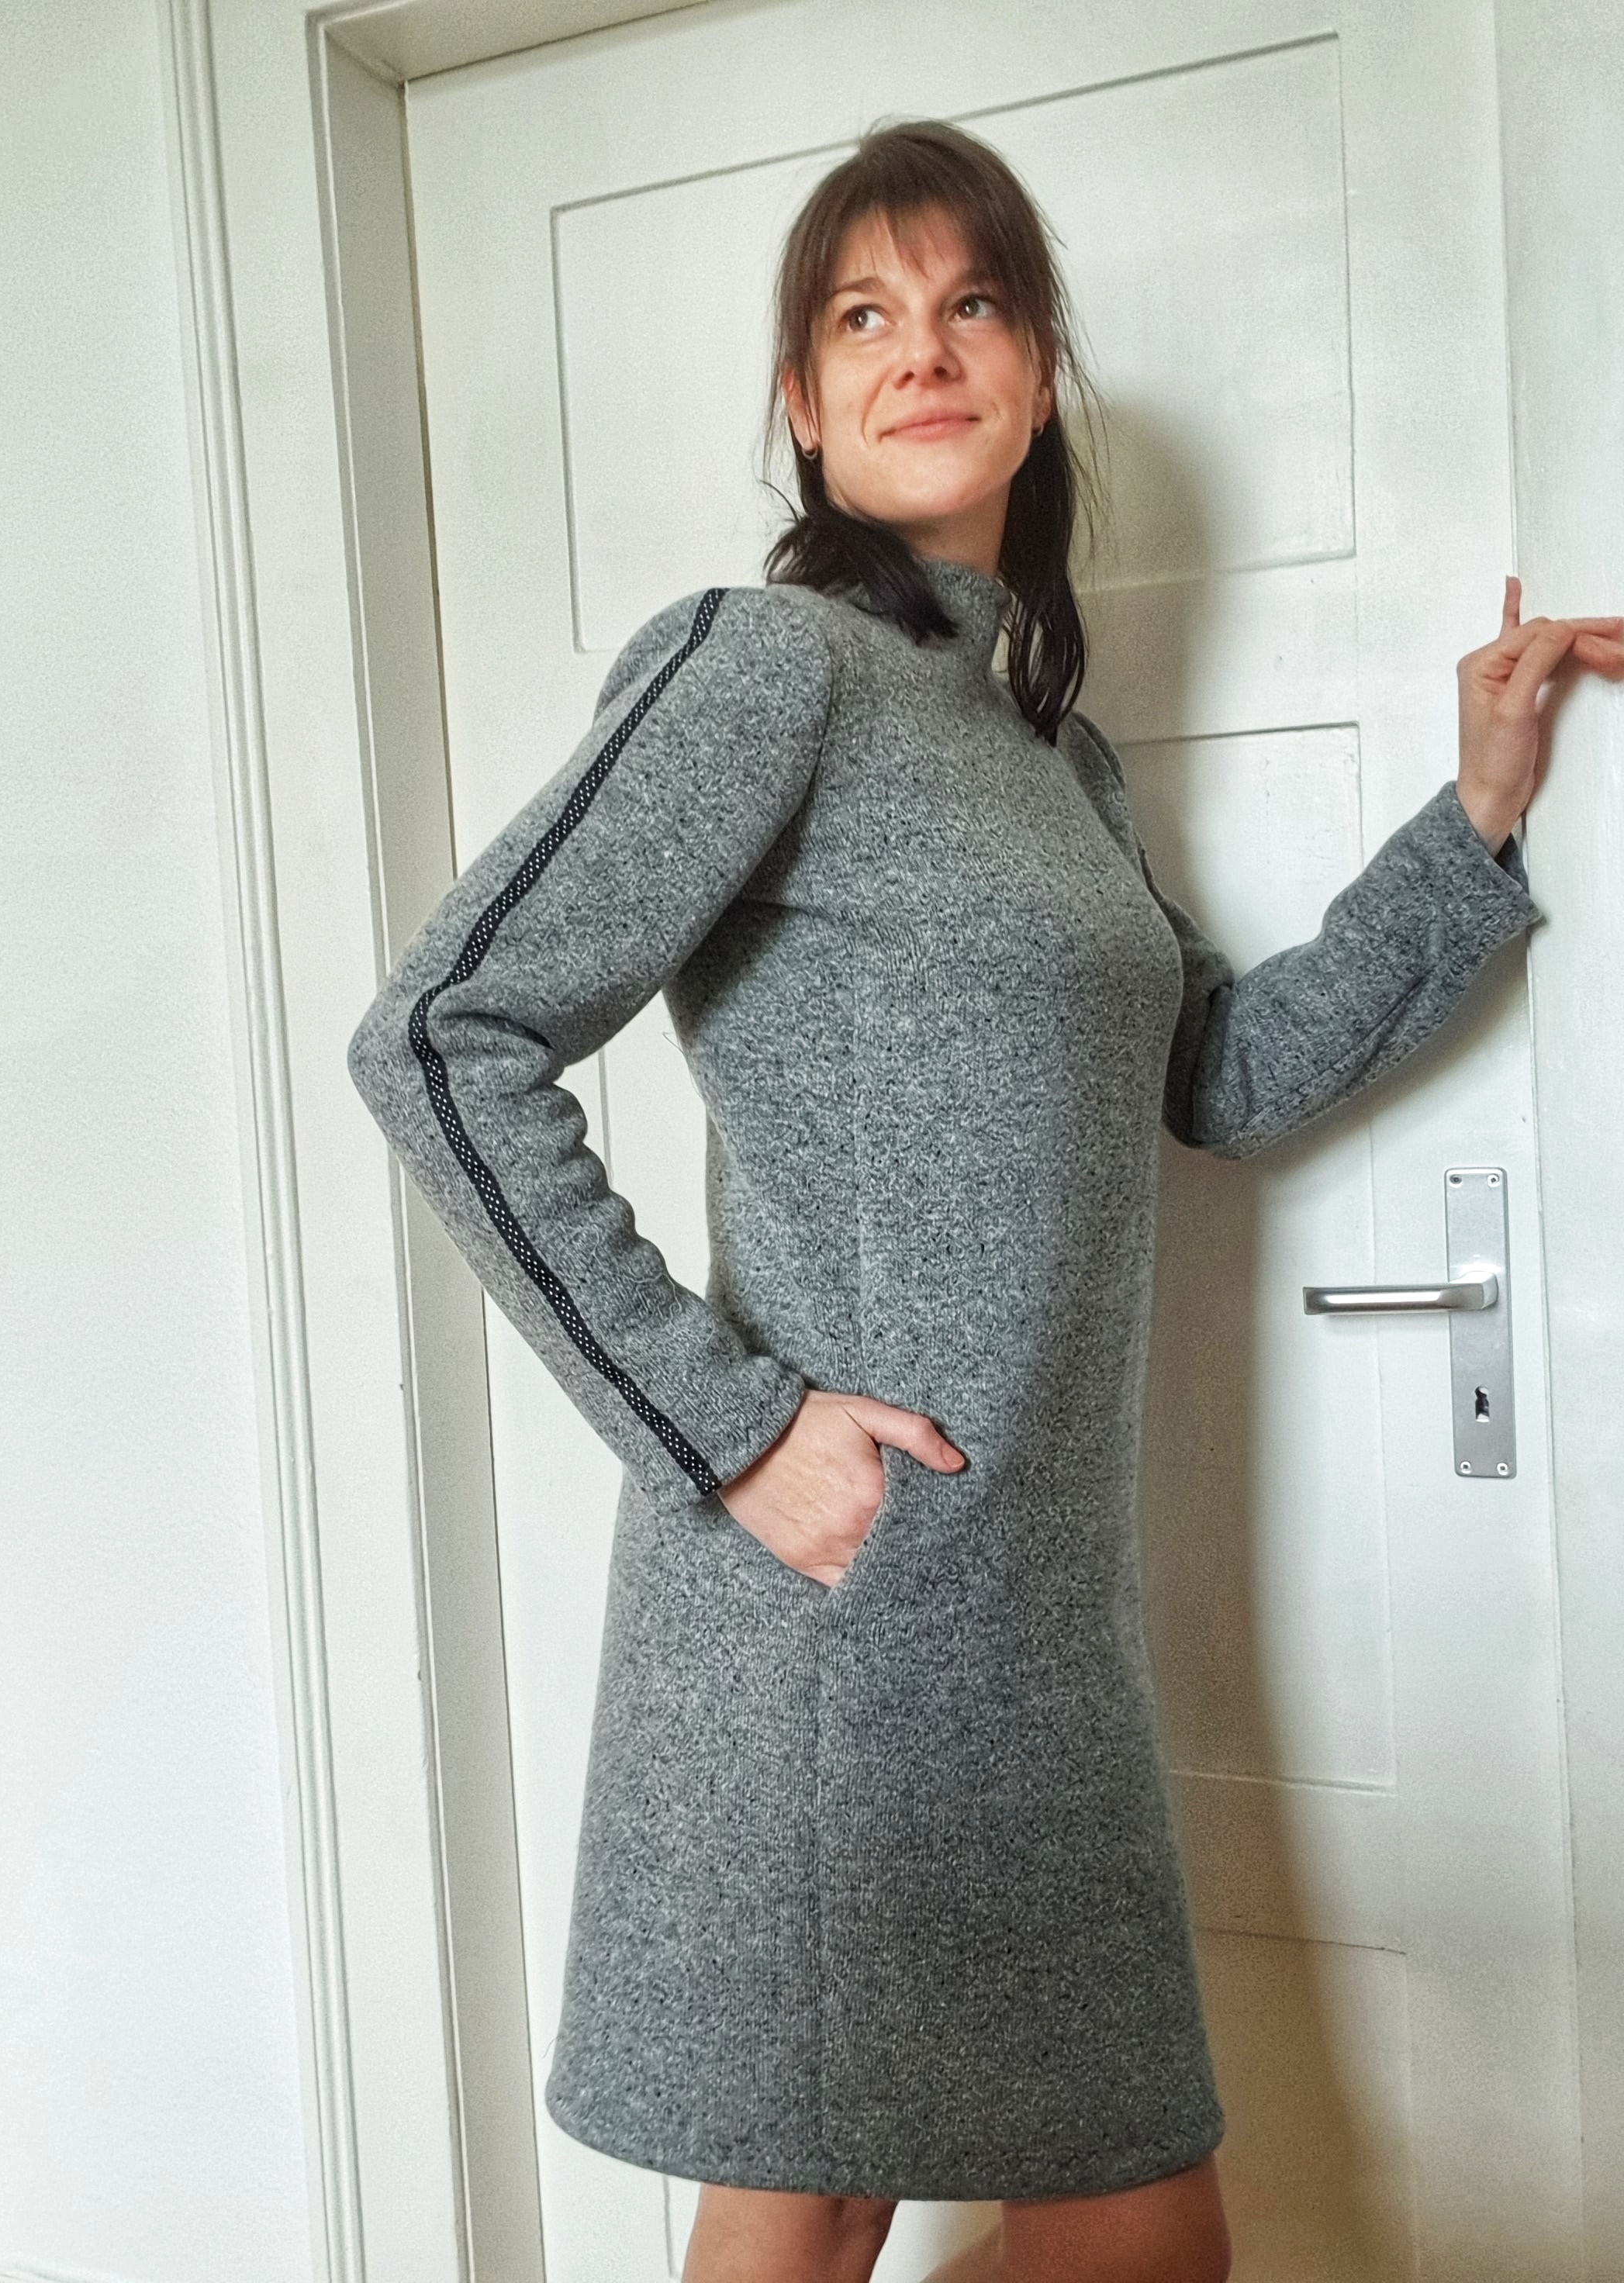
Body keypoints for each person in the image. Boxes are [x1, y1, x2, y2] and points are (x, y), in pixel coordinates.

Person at [345, 117, 1624, 2283]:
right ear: (804, 402)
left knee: (1107, 2220)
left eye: (971, 304)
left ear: (1038, 373)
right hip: (843, 1604)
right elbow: (441, 1036)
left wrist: (1476, 819)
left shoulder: (1052, 753)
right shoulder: (764, 665)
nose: (920, 351)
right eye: (862, 318)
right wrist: (729, 1426)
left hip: (1032, 1615)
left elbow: (1215, 1076)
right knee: (839, 2196)